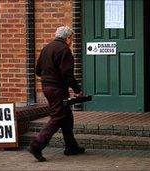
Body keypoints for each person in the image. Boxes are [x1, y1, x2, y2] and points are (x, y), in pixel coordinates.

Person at [28, 26, 85, 162]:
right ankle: (36, 145)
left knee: (67, 116)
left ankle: (71, 146)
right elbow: (67, 74)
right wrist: (77, 90)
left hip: (47, 87)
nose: (71, 41)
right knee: (58, 116)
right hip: (57, 89)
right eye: (72, 38)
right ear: (68, 38)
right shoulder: (64, 50)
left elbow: (38, 70)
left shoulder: (47, 48)